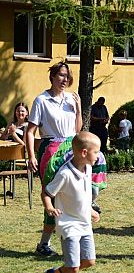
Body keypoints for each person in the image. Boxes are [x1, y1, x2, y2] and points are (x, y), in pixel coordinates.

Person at [26, 62, 107, 256]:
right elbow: (30, 131)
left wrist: (78, 108)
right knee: (53, 194)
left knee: (100, 158)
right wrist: (30, 155)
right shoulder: (42, 100)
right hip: (51, 149)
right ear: (52, 76)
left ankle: (91, 198)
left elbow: (77, 130)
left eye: (67, 76)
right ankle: (44, 244)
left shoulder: (72, 99)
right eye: (61, 75)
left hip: (71, 145)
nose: (64, 80)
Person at [42, 132, 101, 273]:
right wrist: (50, 207)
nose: (99, 155)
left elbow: (82, 195)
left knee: (89, 261)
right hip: (68, 225)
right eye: (96, 152)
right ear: (84, 152)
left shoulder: (88, 169)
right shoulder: (65, 174)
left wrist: (89, 210)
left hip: (84, 224)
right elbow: (47, 192)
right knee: (73, 267)